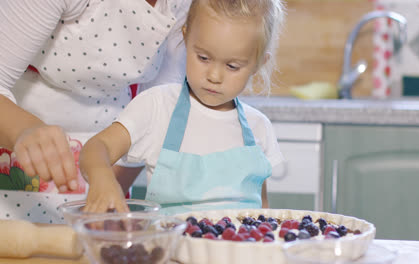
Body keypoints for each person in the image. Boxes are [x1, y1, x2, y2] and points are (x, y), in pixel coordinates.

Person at [81, 0, 286, 215]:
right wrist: (102, 179)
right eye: (203, 58)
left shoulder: (259, 128)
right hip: (173, 248)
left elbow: (263, 213)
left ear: (258, 64)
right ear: (186, 37)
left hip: (240, 249)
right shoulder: (156, 107)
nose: (214, 76)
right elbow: (96, 148)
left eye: (232, 66)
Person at [0, 0, 191, 223]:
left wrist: (107, 193)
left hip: (110, 172)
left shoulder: (182, 5)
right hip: (12, 180)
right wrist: (23, 129)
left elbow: (154, 114)